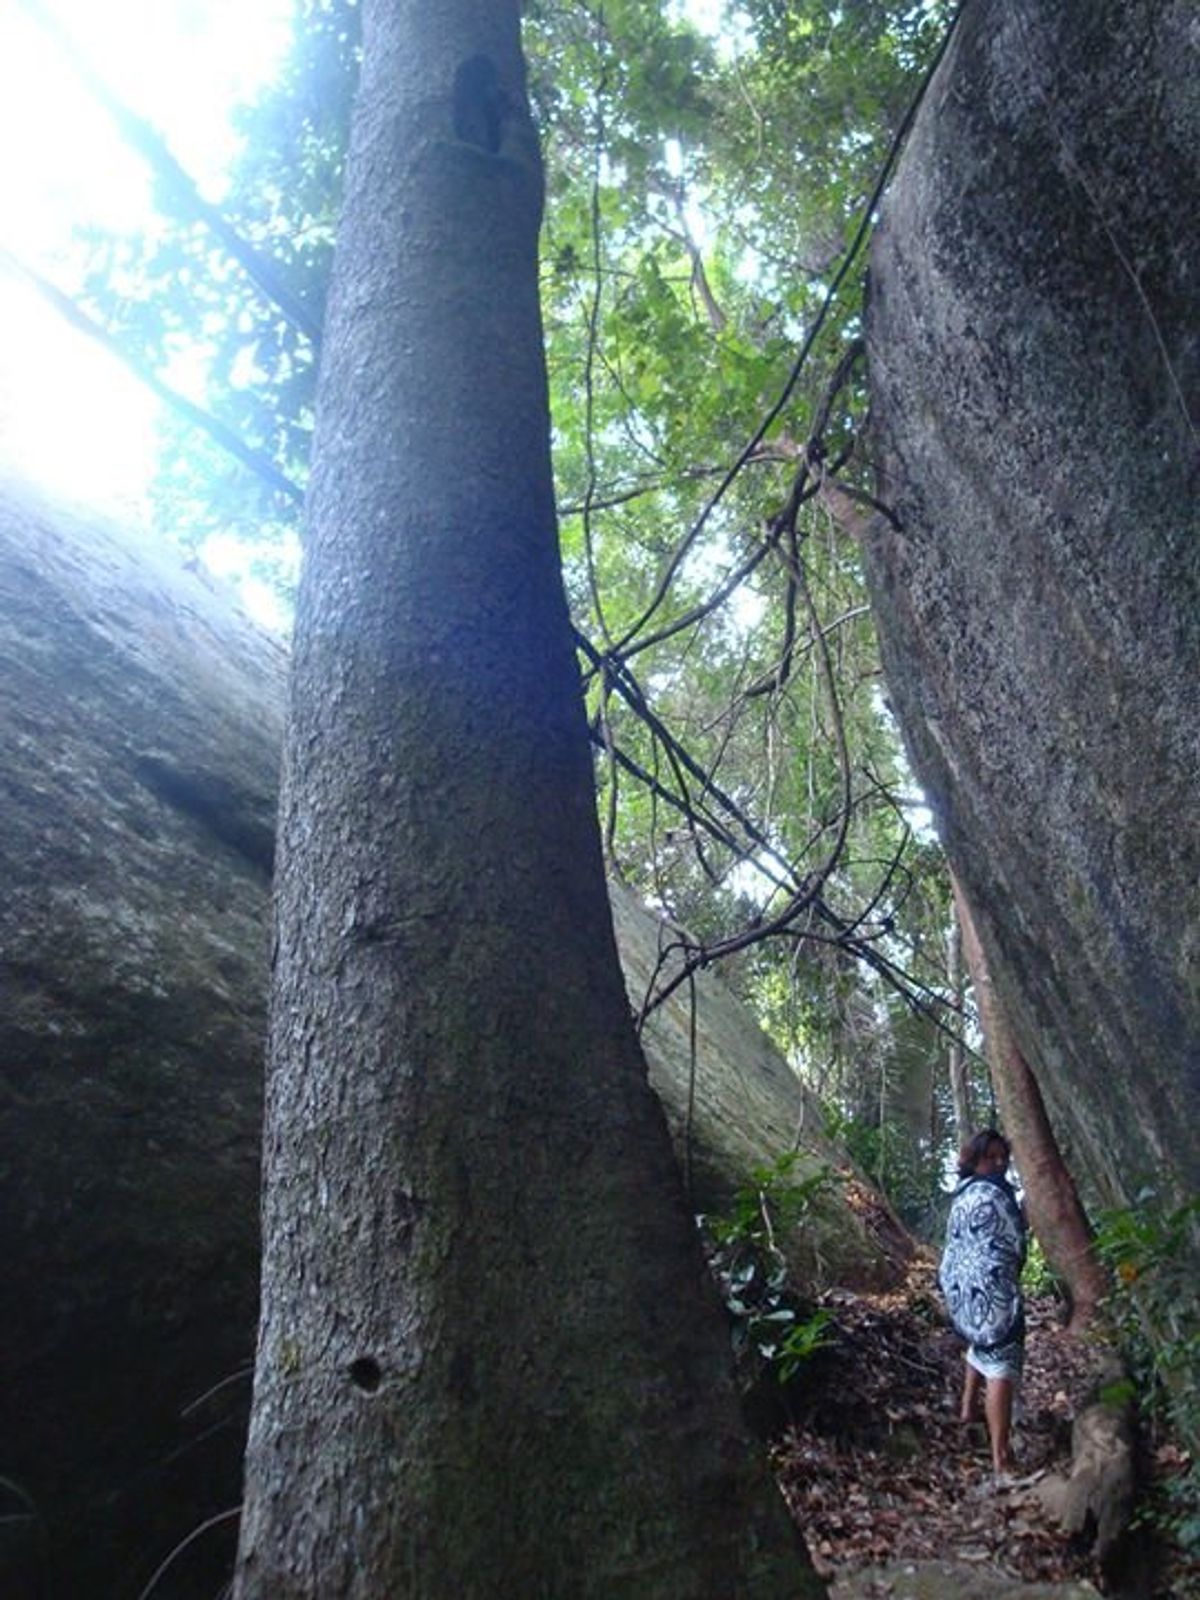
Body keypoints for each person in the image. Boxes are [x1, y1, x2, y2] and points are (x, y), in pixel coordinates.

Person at [940, 1128, 1028, 1482]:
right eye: (990, 1157)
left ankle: (966, 1411)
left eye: (1002, 1157)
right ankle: (1000, 1458)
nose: (999, 1163)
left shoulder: (961, 1196)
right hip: (990, 1292)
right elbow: (1012, 1244)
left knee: (981, 1346)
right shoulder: (995, 1194)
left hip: (961, 1288)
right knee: (1002, 1367)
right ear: (974, 1160)